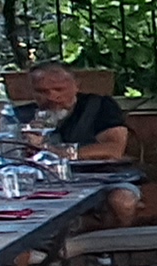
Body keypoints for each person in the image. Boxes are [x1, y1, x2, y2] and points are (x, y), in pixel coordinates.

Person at [16, 62, 143, 229]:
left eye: (59, 89)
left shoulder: (99, 106)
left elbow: (113, 149)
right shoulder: (21, 116)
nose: (52, 97)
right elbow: (9, 153)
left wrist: (58, 152)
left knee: (122, 201)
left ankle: (106, 241)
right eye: (42, 91)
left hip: (104, 177)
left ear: (76, 86)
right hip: (45, 181)